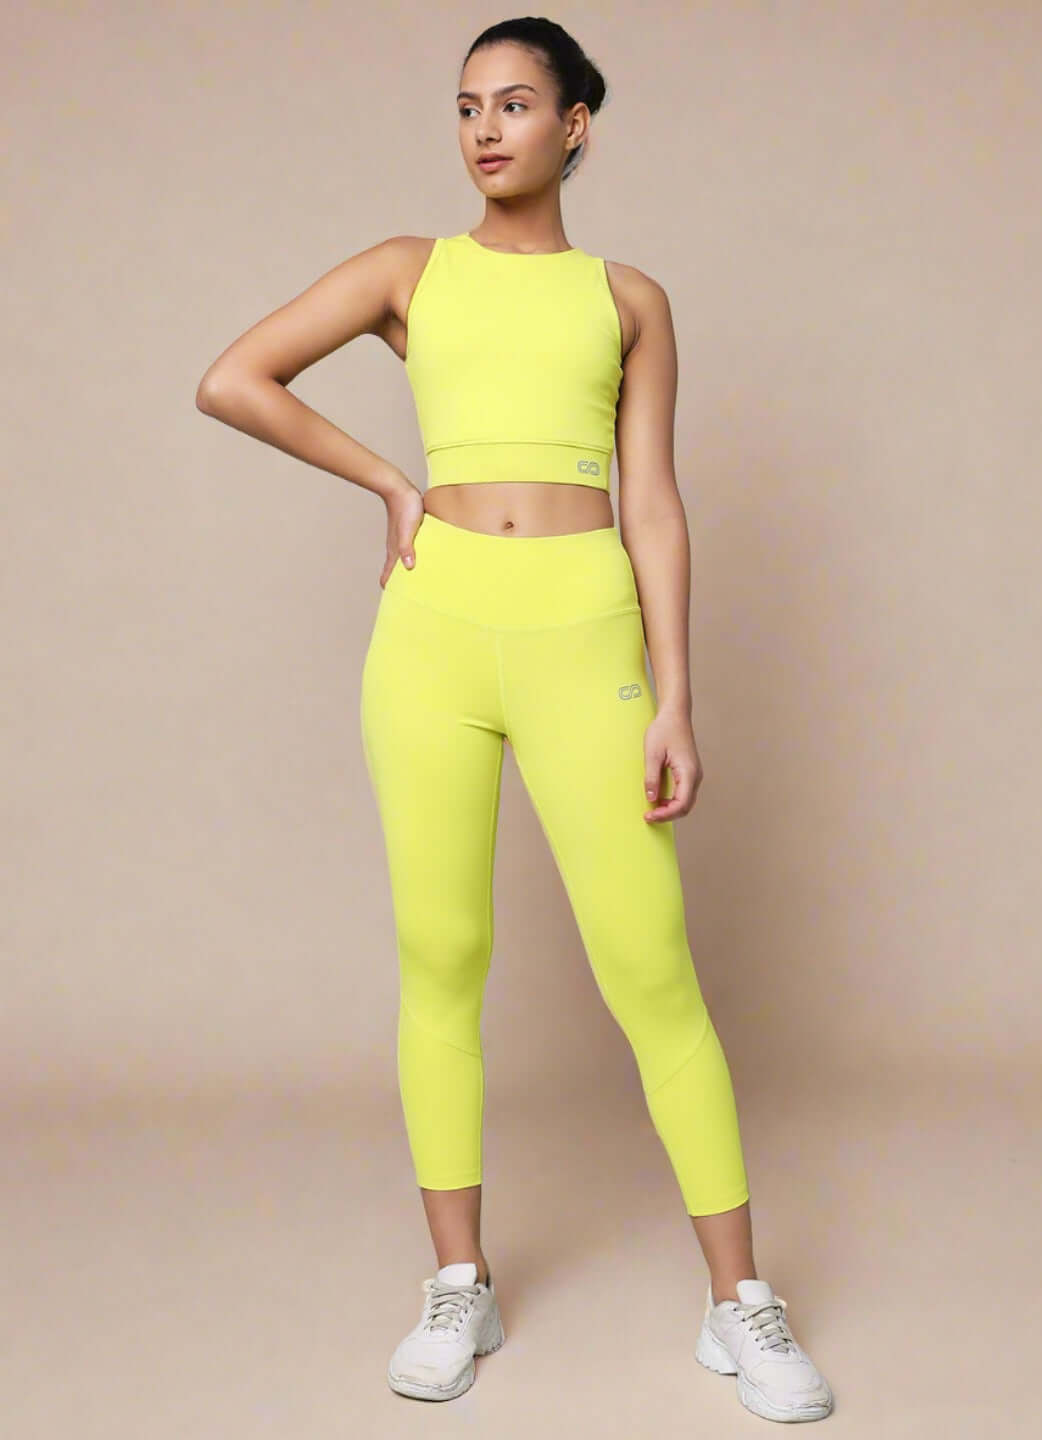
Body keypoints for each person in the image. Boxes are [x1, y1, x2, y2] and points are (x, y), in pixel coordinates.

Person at [195, 15, 833, 1424]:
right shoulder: (406, 272)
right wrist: (390, 481)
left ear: (575, 126)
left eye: (516, 104)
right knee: (442, 956)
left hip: (583, 633)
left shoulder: (628, 298)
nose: (485, 129)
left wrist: (676, 695)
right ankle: (459, 1283)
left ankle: (740, 1301)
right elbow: (232, 379)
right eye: (467, 106)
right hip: (433, 634)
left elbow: (654, 502)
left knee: (651, 968)